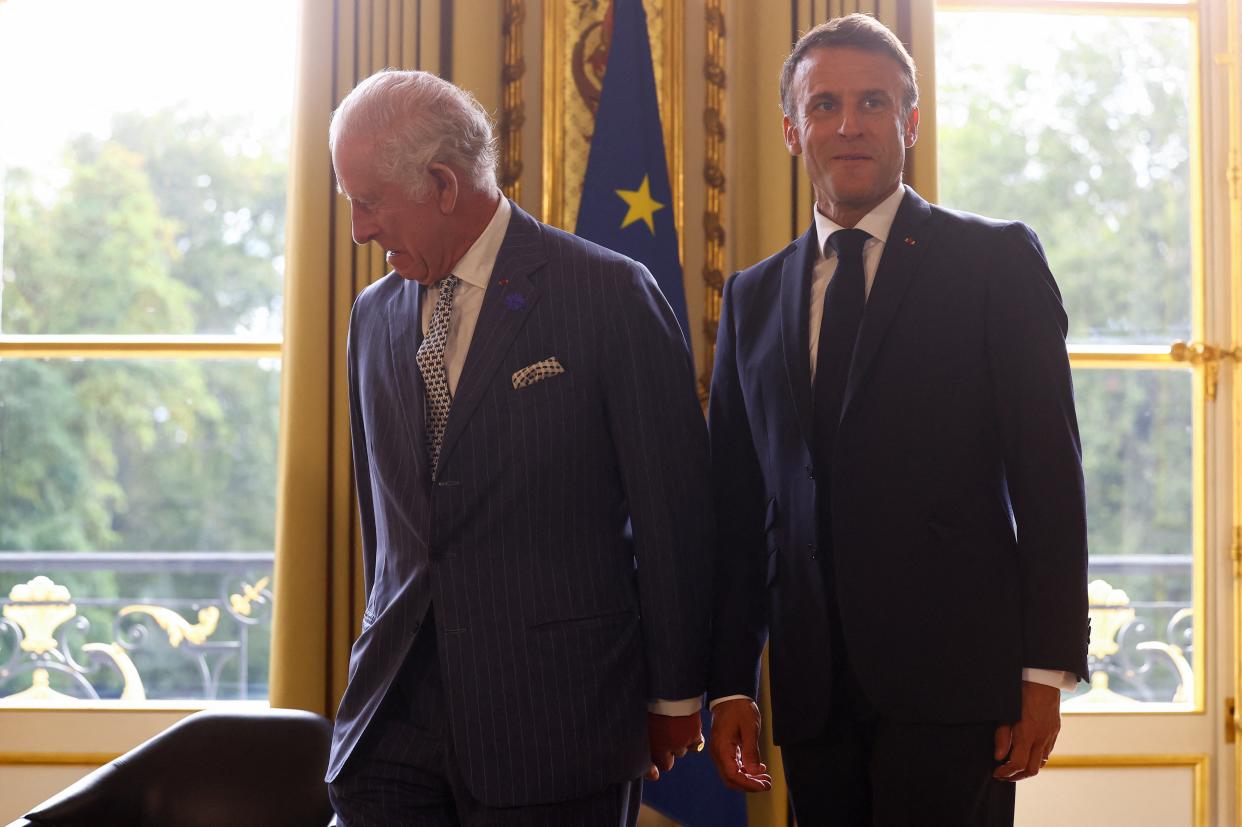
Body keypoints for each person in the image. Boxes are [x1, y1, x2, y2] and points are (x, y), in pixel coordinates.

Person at [706, 14, 1089, 826]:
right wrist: (731, 678)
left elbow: (1050, 481)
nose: (849, 124)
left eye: (874, 102)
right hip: (813, 690)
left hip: (958, 690)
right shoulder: (751, 297)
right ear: (790, 128)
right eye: (825, 105)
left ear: (910, 122)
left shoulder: (994, 263)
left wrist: (1045, 671)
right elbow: (737, 511)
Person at [324, 69, 713, 826]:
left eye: (368, 203)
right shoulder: (370, 318)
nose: (358, 231)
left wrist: (674, 692)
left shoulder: (608, 296)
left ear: (442, 183)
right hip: (391, 721)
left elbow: (675, 517)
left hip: (555, 724)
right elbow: (390, 529)